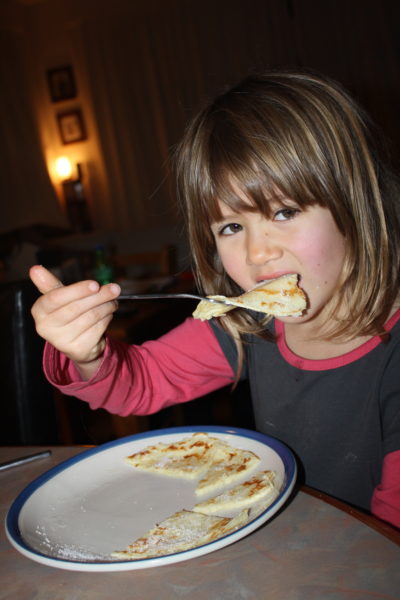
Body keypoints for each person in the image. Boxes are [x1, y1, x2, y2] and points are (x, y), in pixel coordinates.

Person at [30, 71, 400, 528]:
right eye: (230, 227)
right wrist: (87, 354)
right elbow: (141, 382)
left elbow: (385, 548)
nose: (257, 252)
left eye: (284, 212)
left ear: (356, 202)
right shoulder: (249, 325)